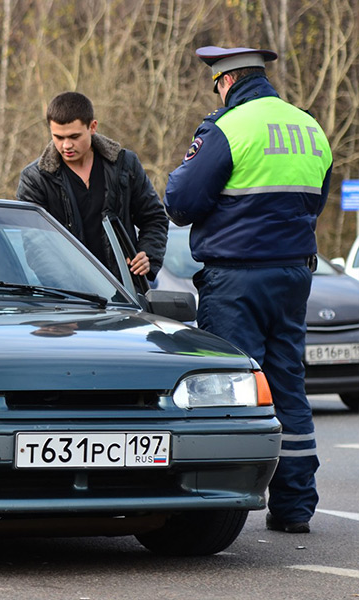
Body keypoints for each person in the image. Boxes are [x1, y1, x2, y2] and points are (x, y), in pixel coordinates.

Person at [165, 46, 333, 534]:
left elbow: (181, 201)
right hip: (295, 274)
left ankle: (220, 507)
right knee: (288, 386)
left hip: (237, 278)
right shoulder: (308, 127)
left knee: (229, 389)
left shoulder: (228, 127)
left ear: (226, 81)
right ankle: (295, 506)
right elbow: (315, 201)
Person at [15, 91, 168, 282]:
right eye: (58, 137)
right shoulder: (35, 179)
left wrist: (147, 255)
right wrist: (74, 291)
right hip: (73, 299)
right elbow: (36, 247)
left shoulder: (125, 164)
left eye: (74, 136)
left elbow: (154, 218)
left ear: (93, 127)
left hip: (127, 292)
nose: (66, 145)